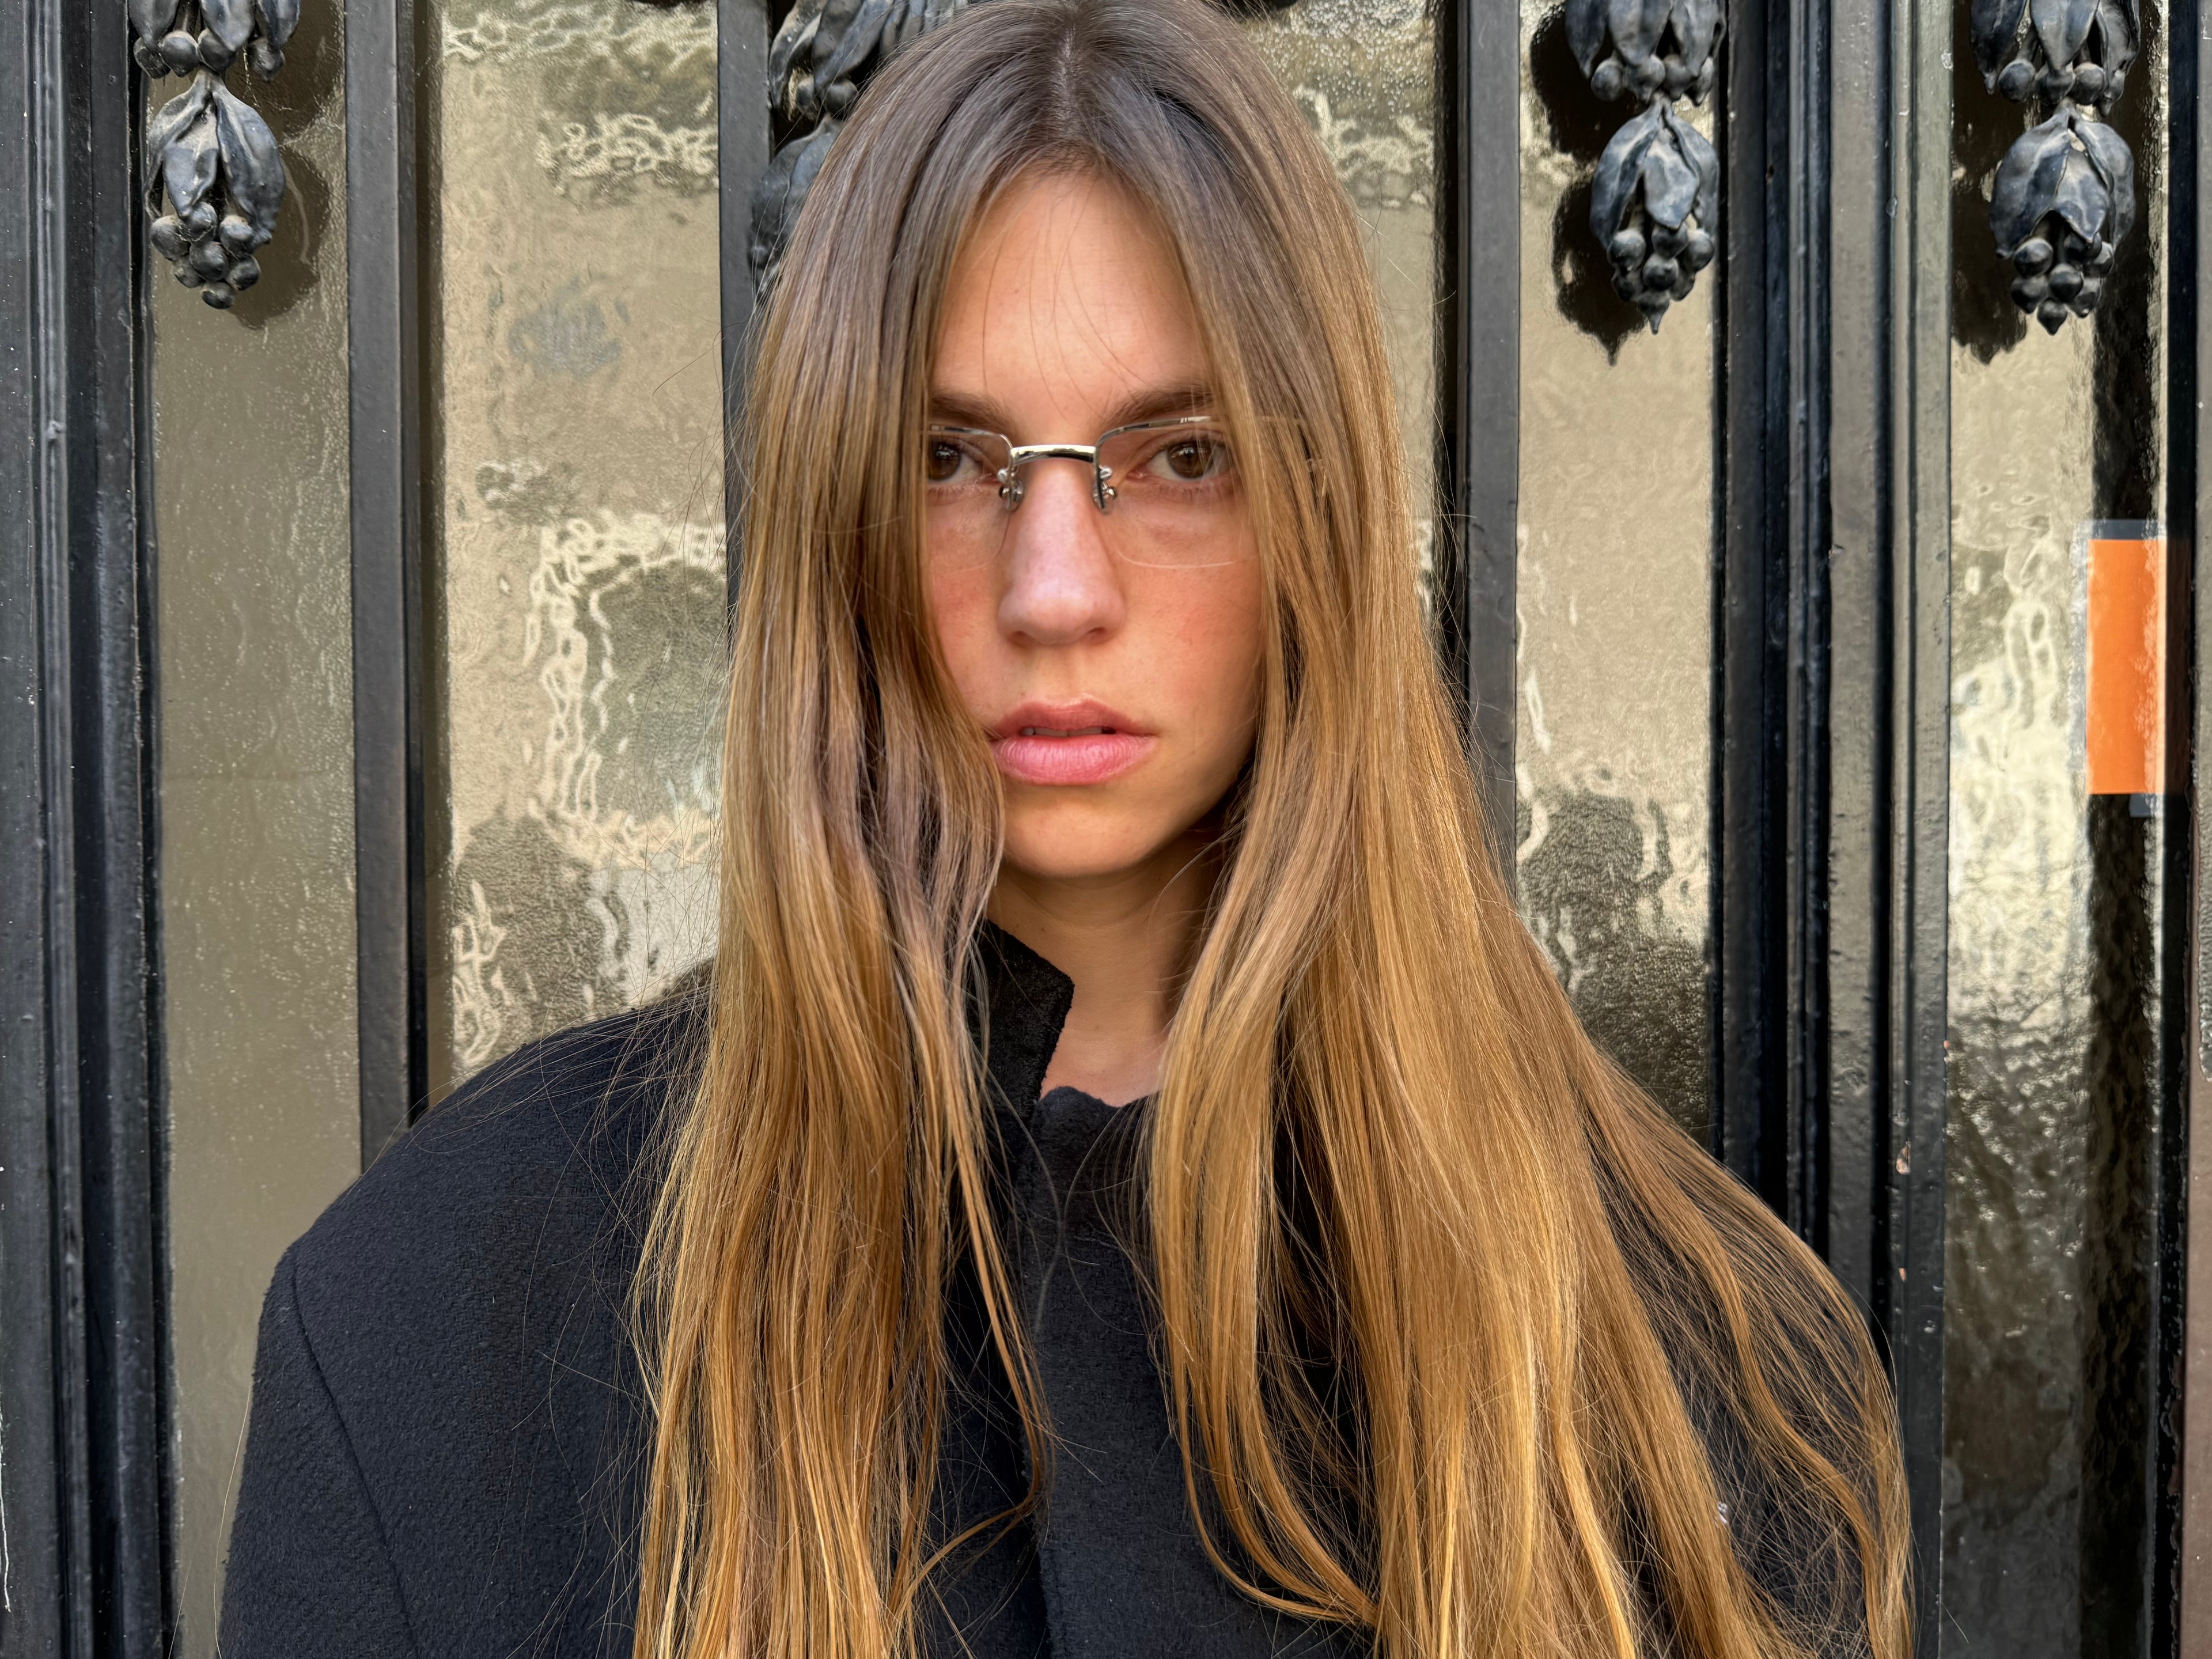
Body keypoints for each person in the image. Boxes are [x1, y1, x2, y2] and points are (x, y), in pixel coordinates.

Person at [218, 2, 1911, 1655]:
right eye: (950, 458)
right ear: (833, 515)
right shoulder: (438, 1316)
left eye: (1181, 457)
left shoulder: (1692, 1358)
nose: (1054, 589)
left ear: (1319, 513)